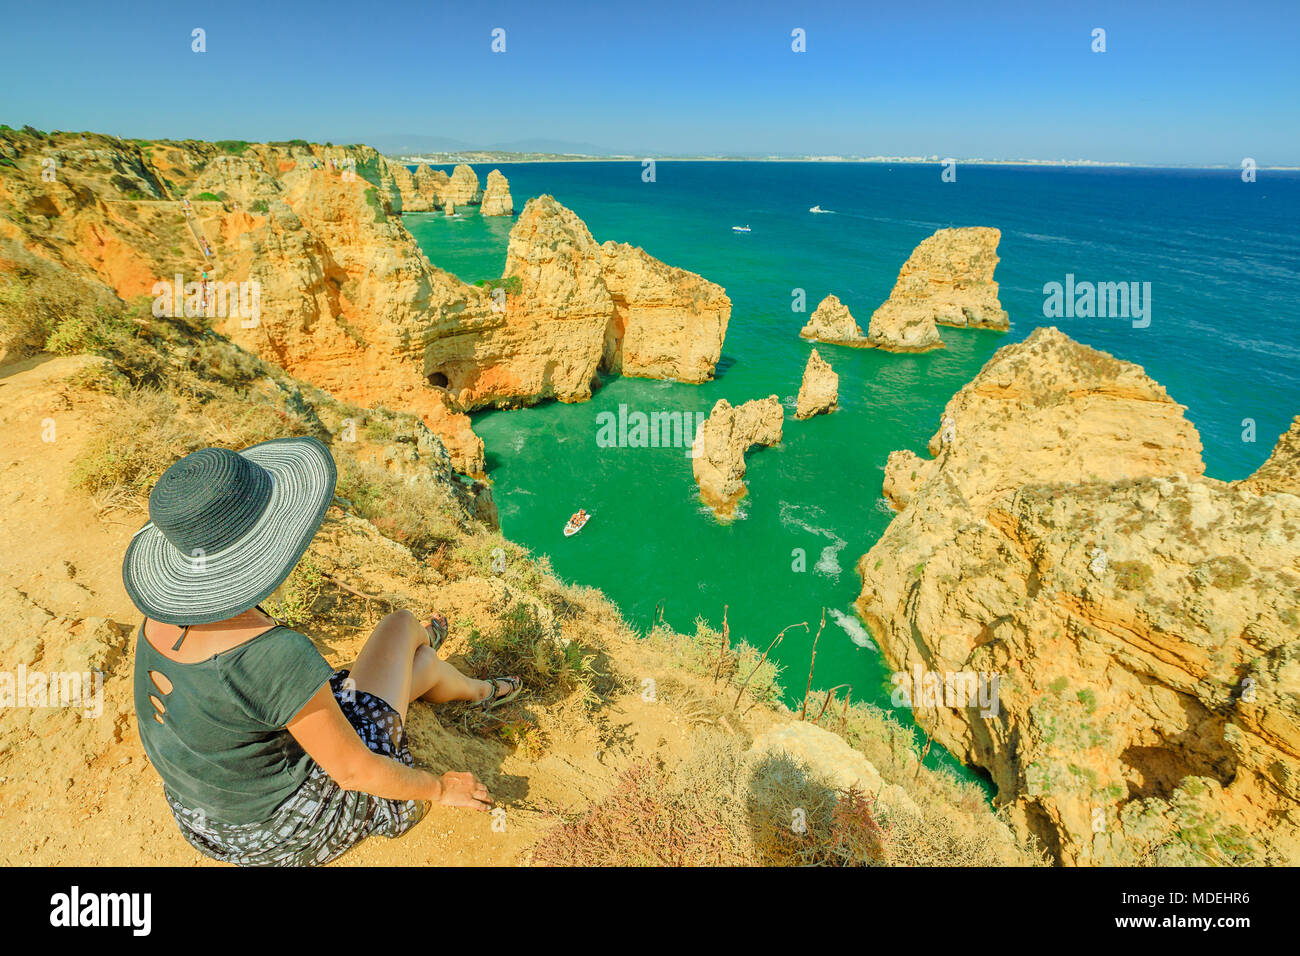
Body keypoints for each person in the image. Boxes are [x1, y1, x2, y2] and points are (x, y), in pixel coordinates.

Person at [123, 437, 521, 866]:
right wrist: (441, 788)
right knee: (401, 627)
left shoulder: (161, 618)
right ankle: (471, 684)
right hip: (282, 827)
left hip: (208, 816)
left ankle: (442, 664)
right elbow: (354, 772)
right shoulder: (270, 653)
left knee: (416, 658)